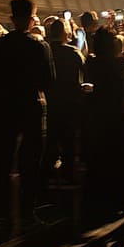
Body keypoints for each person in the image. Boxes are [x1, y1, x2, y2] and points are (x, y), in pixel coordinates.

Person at [0, 0, 55, 221]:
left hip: (6, 106)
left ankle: (1, 210)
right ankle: (28, 211)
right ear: (31, 19)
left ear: (12, 18)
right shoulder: (39, 45)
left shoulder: (0, 45)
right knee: (31, 160)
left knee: (4, 158)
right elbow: (48, 81)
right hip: (32, 105)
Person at [83, 27, 124, 220]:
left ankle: (95, 200)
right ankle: (117, 200)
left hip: (94, 117)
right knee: (115, 158)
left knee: (96, 160)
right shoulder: (119, 64)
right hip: (115, 116)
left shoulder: (90, 63)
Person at [43, 18, 85, 186]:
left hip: (50, 102)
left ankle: (46, 174)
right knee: (68, 142)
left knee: (50, 140)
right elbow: (81, 77)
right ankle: (68, 174)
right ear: (65, 32)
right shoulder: (73, 53)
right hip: (69, 103)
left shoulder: (45, 49)